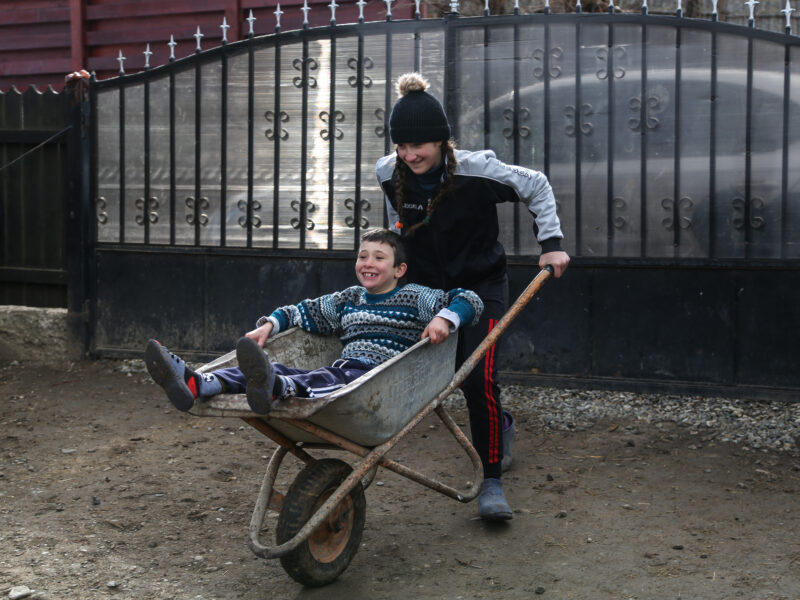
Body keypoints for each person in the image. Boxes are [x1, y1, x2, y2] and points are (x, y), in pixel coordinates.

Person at [376, 72, 570, 521]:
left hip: (481, 287)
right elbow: (397, 227)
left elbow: (536, 185)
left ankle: (492, 480)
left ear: (443, 141)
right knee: (389, 359)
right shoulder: (390, 172)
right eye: (401, 147)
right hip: (425, 289)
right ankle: (497, 428)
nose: (409, 155)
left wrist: (552, 243)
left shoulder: (478, 170)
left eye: (418, 146)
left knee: (475, 376)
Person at [144, 228, 483, 416]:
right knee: (292, 371)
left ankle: (275, 388)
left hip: (378, 379)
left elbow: (469, 299)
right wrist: (269, 325)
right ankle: (197, 383)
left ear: (399, 270)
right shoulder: (350, 298)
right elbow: (302, 311)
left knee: (323, 380)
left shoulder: (415, 297)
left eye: (379, 258)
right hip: (344, 369)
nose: (368, 263)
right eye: (362, 256)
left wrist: (444, 318)